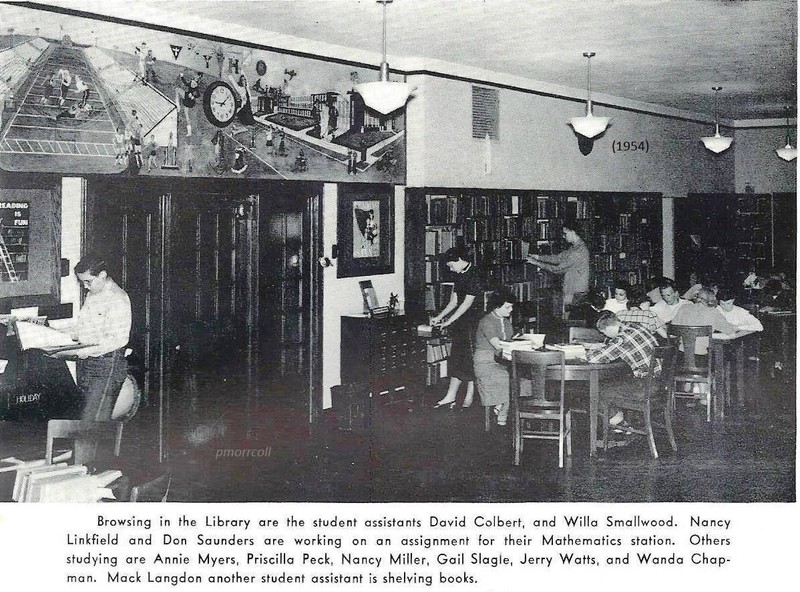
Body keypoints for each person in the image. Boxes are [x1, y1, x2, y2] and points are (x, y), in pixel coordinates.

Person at [55, 255, 132, 421]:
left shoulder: (117, 298)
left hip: (106, 365)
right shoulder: (94, 295)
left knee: (93, 422)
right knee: (84, 420)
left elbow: (116, 339)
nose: (85, 286)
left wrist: (80, 351)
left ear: (102, 275)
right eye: (82, 282)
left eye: (88, 281)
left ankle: (89, 448)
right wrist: (54, 333)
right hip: (88, 365)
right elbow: (83, 330)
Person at [586, 311, 661, 429]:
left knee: (598, 389)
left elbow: (594, 358)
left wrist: (589, 350)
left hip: (646, 386)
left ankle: (618, 424)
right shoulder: (636, 326)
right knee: (615, 383)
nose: (605, 336)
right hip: (660, 382)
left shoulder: (622, 339)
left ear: (608, 328)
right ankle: (622, 421)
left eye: (603, 332)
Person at [430, 247, 484, 409]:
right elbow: (454, 301)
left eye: (451, 265)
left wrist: (448, 322)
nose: (450, 268)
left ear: (460, 260)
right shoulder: (458, 275)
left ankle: (470, 395)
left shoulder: (475, 274)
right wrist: (439, 317)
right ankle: (451, 396)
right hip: (461, 324)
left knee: (470, 359)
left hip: (473, 323)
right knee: (456, 359)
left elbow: (466, 304)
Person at [526, 223, 590, 316]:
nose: (564, 236)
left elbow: (558, 269)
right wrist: (538, 257)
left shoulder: (577, 252)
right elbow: (558, 258)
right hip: (572, 290)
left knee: (569, 318)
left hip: (575, 292)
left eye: (565, 233)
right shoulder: (575, 247)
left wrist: (536, 263)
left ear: (572, 232)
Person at [473, 291, 516, 426]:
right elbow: (498, 345)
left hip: (503, 361)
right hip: (485, 362)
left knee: (522, 379)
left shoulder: (507, 322)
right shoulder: (487, 322)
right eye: (507, 307)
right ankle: (502, 416)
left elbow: (508, 342)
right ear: (496, 307)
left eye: (511, 307)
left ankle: (502, 406)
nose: (511, 310)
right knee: (507, 379)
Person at [671, 287, 736, 356]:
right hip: (701, 358)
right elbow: (732, 334)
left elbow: (672, 332)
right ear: (712, 299)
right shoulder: (714, 312)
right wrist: (710, 335)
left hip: (680, 355)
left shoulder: (684, 307)